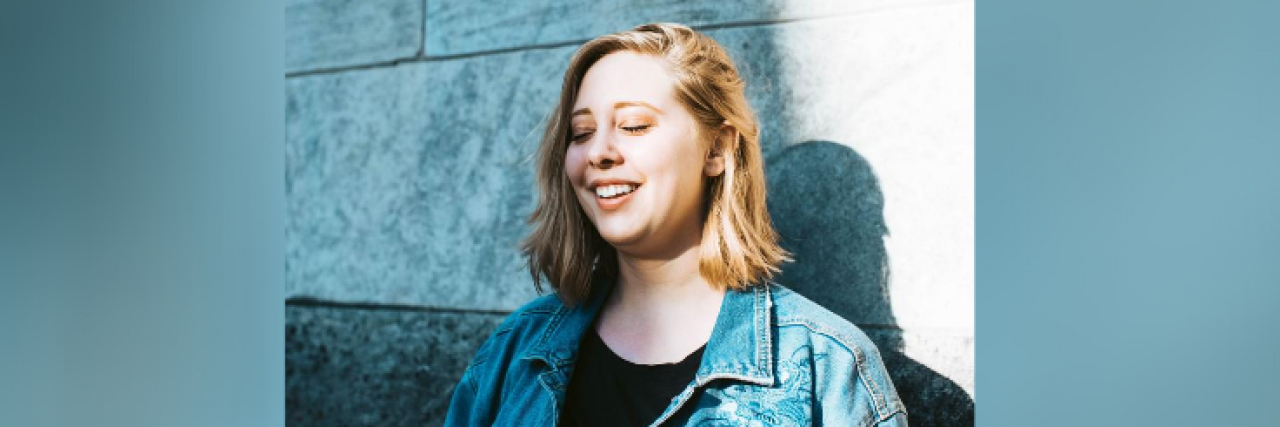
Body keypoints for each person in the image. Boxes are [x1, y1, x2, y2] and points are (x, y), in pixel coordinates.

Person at [444, 23, 907, 426]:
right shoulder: (517, 351)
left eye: (635, 126)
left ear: (718, 150)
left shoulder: (824, 365)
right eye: (581, 133)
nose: (599, 152)